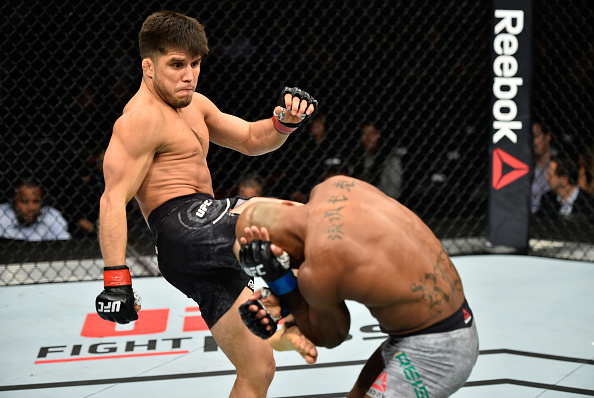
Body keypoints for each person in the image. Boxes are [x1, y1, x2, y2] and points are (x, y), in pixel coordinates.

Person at [95, 11, 317, 398]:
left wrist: (283, 122)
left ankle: (286, 302)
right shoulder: (140, 120)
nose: (189, 75)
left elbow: (249, 138)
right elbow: (113, 198)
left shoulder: (195, 105)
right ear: (148, 67)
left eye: (195, 64)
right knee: (283, 216)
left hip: (196, 253)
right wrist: (116, 281)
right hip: (182, 225)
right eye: (176, 65)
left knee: (259, 367)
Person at [235, 176, 479, 398]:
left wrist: (281, 280)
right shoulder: (334, 185)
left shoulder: (320, 268)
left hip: (437, 351)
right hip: (448, 321)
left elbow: (330, 336)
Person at [0, 180, 71, 241]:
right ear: (13, 201)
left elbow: (65, 244)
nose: (31, 208)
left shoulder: (51, 215)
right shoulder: (2, 215)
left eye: (36, 201)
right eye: (25, 202)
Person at [352, 123, 404, 200]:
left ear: (378, 135)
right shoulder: (357, 159)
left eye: (372, 133)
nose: (368, 137)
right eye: (365, 134)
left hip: (385, 202)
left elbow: (394, 190)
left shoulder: (390, 158)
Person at [536, 154, 594, 218]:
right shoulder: (547, 199)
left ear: (564, 179)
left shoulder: (589, 204)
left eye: (550, 175)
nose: (546, 177)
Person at [531, 121, 556, 214]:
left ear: (547, 137)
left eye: (536, 136)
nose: (532, 141)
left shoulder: (558, 165)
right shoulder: (522, 167)